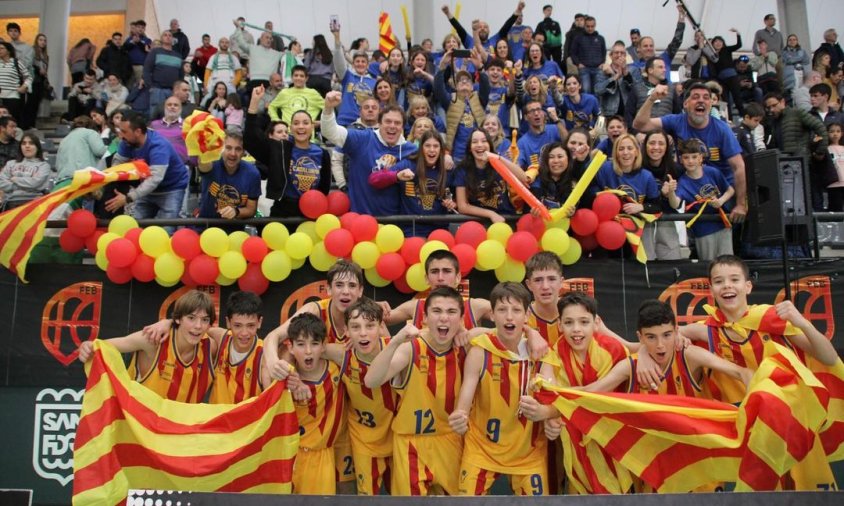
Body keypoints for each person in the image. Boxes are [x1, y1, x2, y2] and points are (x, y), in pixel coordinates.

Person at [268, 298, 399, 496]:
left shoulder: (400, 349)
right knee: (353, 494)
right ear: (346, 331)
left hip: (398, 435)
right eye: (355, 327)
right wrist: (290, 375)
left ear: (380, 327)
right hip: (360, 438)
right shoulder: (340, 355)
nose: (363, 332)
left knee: (405, 496)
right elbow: (295, 349)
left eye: (370, 325)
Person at [262, 260, 369, 491]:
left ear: (360, 291)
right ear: (328, 289)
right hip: (320, 406)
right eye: (339, 285)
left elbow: (378, 358)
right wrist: (280, 367)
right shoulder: (314, 311)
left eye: (352, 285)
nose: (345, 291)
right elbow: (275, 339)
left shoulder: (365, 319)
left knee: (347, 489)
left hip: (350, 412)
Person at [449, 282, 551, 496]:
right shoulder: (480, 350)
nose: (509, 317)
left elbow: (555, 403)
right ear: (493, 315)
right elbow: (464, 400)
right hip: (482, 450)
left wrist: (546, 414)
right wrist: (460, 416)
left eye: (516, 310)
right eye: (502, 310)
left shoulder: (541, 353)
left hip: (528, 454)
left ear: (526, 316)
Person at [364, 287, 467, 496]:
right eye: (437, 311)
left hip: (450, 440)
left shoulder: (467, 346)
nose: (444, 318)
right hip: (410, 443)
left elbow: (497, 333)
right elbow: (371, 380)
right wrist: (395, 341)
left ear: (461, 318)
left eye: (451, 312)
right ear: (426, 318)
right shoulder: (410, 348)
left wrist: (530, 332)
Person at [583, 299, 752, 395]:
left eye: (667, 335)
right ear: (640, 337)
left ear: (677, 332)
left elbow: (741, 372)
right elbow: (591, 391)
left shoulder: (690, 355)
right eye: (651, 337)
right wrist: (556, 394)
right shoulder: (630, 365)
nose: (660, 345)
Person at [633, 82, 747, 223]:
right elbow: (639, 124)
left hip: (722, 195)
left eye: (706, 97)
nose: (701, 100)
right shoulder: (676, 121)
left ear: (711, 104)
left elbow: (739, 167)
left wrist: (741, 204)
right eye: (695, 97)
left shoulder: (722, 129)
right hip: (693, 193)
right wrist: (652, 98)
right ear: (685, 104)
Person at [77, 290, 217, 403]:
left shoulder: (211, 347)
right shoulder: (152, 339)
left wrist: (167, 322)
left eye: (205, 320)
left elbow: (234, 334)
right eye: (191, 318)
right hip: (142, 430)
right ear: (178, 318)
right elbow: (103, 346)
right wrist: (87, 346)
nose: (198, 326)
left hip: (181, 432)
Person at [144, 291, 266, 405]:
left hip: (248, 426)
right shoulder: (221, 338)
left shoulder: (265, 355)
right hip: (215, 424)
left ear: (259, 322)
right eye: (238, 325)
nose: (244, 333)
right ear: (228, 322)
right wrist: (168, 322)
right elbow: (194, 329)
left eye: (250, 325)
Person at [321, 90, 416, 216]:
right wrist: (328, 108)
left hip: (393, 224)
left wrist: (447, 158)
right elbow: (330, 132)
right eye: (388, 121)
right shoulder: (362, 138)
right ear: (380, 123)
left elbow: (435, 156)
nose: (392, 126)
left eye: (397, 123)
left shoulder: (410, 149)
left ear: (402, 127)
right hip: (361, 221)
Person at [281, 312, 345, 495]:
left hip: (323, 455)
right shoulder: (285, 379)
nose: (308, 351)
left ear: (324, 346)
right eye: (301, 344)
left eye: (315, 344)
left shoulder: (337, 370)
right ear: (290, 347)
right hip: (291, 456)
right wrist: (289, 381)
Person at [248, 86, 330, 217]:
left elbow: (324, 189)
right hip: (283, 212)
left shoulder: (322, 153)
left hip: (311, 213)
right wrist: (254, 103)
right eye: (296, 123)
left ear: (312, 126)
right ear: (291, 128)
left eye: (305, 123)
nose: (301, 127)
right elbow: (251, 140)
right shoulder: (279, 148)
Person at [105, 111, 189, 224]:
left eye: (124, 132)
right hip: (147, 189)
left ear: (138, 132)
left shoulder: (158, 145)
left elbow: (155, 178)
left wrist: (128, 198)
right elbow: (116, 164)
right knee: (137, 228)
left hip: (172, 188)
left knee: (167, 229)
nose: (121, 135)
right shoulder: (127, 142)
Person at [371, 130, 456, 237]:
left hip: (439, 229)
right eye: (427, 146)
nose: (432, 150)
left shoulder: (447, 168)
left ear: (441, 149)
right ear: (421, 148)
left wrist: (451, 203)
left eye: (436, 146)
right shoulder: (408, 164)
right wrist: (397, 175)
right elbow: (374, 179)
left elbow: (453, 196)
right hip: (412, 229)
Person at [384, 249, 492, 328]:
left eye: (447, 271)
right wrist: (373, 304)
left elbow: (507, 317)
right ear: (426, 278)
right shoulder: (414, 306)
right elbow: (380, 320)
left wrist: (479, 332)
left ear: (458, 277)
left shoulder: (475, 306)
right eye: (435, 272)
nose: (440, 278)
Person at [668, 138, 735, 261]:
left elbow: (730, 190)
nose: (690, 161)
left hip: (723, 225)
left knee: (728, 262)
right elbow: (675, 204)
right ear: (681, 160)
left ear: (700, 158)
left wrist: (721, 201)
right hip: (703, 230)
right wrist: (671, 191)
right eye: (686, 157)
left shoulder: (712, 172)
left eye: (694, 157)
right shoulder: (683, 182)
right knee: (708, 264)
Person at [762, 91, 829, 210]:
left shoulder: (797, 113)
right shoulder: (773, 122)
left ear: (782, 102)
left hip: (802, 163)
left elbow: (821, 128)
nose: (771, 110)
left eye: (774, 105)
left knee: (810, 197)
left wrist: (819, 152)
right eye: (768, 108)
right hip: (785, 165)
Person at [455, 129, 527, 223]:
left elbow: (523, 178)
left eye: (484, 141)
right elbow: (462, 207)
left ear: (489, 145)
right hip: (479, 222)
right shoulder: (462, 170)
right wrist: (491, 214)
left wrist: (498, 158)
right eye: (475, 142)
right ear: (470, 148)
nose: (480, 145)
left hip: (506, 219)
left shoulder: (499, 162)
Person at [434, 54, 490, 163]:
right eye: (460, 80)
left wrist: (480, 67)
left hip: (479, 152)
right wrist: (442, 66)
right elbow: (438, 89)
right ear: (455, 86)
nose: (464, 82)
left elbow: (486, 86)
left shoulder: (479, 98)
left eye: (467, 80)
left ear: (473, 86)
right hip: (457, 155)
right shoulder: (450, 99)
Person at [197, 130, 260, 221]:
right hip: (207, 226)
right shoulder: (212, 163)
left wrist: (236, 212)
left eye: (238, 149)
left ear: (243, 153)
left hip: (235, 229)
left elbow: (251, 210)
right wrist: (203, 149)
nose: (233, 153)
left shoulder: (252, 174)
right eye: (228, 148)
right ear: (221, 149)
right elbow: (203, 165)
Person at [641, 130, 683, 259]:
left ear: (667, 147)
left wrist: (669, 193)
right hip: (643, 221)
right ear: (645, 145)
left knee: (671, 258)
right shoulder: (637, 167)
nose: (656, 147)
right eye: (652, 143)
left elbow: (677, 203)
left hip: (667, 219)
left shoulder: (677, 169)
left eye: (661, 143)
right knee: (645, 259)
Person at [0, 133, 51, 209]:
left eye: (31, 143)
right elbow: (1, 182)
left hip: (35, 203)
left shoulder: (44, 166)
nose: (27, 146)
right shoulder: (10, 164)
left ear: (37, 147)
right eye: (24, 143)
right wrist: (27, 187)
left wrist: (15, 179)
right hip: (11, 203)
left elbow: (35, 183)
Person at [55, 115, 108, 182]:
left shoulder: (64, 139)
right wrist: (110, 147)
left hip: (63, 180)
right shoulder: (90, 133)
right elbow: (100, 151)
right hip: (83, 178)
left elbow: (57, 164)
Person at [143, 30, 184, 118]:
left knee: (173, 116)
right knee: (156, 116)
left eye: (170, 35)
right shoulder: (155, 52)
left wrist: (178, 89)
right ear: (161, 38)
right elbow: (146, 69)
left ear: (172, 39)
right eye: (165, 35)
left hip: (172, 91)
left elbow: (181, 75)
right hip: (157, 89)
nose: (168, 37)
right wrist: (150, 86)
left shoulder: (178, 56)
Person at [517, 99, 564, 168]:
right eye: (532, 111)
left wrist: (556, 119)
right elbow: (518, 164)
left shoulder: (555, 129)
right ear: (526, 117)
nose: (536, 113)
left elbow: (568, 142)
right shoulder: (522, 142)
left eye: (539, 109)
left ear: (543, 113)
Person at [530, 142, 573, 211]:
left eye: (560, 156)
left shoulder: (574, 183)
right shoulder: (536, 181)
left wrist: (571, 213)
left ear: (568, 159)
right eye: (551, 157)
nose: (556, 161)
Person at [569, 16, 606, 94]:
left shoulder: (600, 38)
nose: (590, 28)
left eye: (592, 26)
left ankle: (597, 106)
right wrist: (578, 63)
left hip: (598, 69)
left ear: (595, 25)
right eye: (588, 26)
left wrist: (602, 63)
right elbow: (573, 53)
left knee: (598, 92)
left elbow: (604, 52)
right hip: (584, 69)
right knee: (586, 90)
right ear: (584, 25)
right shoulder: (578, 38)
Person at [0, 42, 32, 122]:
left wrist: (24, 86)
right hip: (0, 95)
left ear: (8, 51)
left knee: (12, 119)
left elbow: (28, 77)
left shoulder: (16, 63)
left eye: (2, 48)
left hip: (12, 96)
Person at [123, 20, 151, 88]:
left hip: (140, 66)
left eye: (142, 27)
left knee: (140, 85)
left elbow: (147, 50)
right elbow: (124, 49)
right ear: (135, 28)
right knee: (128, 85)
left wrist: (138, 42)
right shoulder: (129, 39)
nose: (140, 29)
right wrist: (133, 42)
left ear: (144, 29)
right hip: (129, 66)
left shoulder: (147, 40)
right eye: (138, 27)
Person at [827, 122, 844, 212]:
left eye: (838, 131)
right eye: (832, 131)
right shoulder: (826, 149)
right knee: (836, 209)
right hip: (833, 183)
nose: (835, 134)